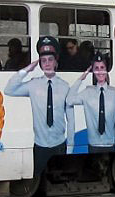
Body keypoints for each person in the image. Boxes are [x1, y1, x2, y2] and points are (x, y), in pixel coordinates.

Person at [4, 36, 74, 181]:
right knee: (38, 178)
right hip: (40, 145)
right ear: (40, 64)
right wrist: (27, 69)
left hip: (59, 144)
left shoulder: (65, 86)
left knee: (59, 180)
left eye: (50, 60)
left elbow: (71, 119)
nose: (47, 64)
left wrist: (71, 145)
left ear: (56, 62)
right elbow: (9, 89)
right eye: (43, 60)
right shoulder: (33, 85)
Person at [67, 53, 115, 153]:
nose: (100, 71)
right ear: (93, 71)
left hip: (110, 145)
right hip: (93, 146)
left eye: (102, 67)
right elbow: (69, 100)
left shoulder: (114, 92)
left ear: (106, 70)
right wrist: (81, 79)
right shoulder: (87, 92)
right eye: (96, 68)